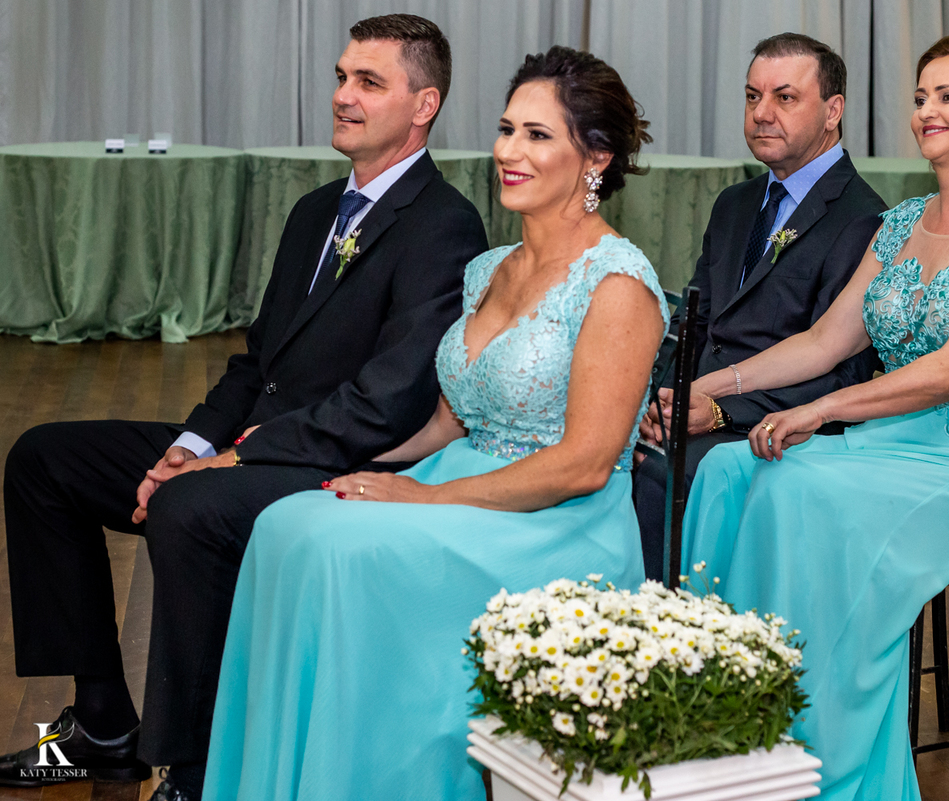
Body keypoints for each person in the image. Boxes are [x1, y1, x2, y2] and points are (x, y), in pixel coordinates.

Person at [0, 14, 487, 800]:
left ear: (423, 104)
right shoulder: (314, 212)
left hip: (337, 458)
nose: (343, 96)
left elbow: (388, 400)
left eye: (369, 82)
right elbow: (256, 361)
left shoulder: (444, 225)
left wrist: (237, 456)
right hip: (247, 445)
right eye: (340, 77)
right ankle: (103, 723)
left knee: (190, 507)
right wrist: (192, 441)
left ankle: (195, 771)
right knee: (43, 459)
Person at [200, 46, 665, 801]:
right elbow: (450, 417)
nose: (509, 152)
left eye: (538, 135)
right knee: (292, 524)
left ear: (596, 159)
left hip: (557, 519)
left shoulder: (618, 283)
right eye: (507, 128)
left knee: (343, 555)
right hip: (461, 478)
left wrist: (420, 499)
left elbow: (585, 461)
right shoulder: (489, 270)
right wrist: (358, 466)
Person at [679, 35, 949, 800]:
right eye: (921, 95)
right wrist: (711, 386)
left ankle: (820, 753)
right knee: (729, 465)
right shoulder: (902, 224)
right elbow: (825, 340)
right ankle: (719, 726)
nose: (927, 109)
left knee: (803, 491)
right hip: (897, 440)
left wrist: (816, 409)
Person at [633, 33, 886, 582]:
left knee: (656, 476)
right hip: (696, 411)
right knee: (603, 456)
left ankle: (677, 647)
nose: (762, 114)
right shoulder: (735, 203)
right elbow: (692, 324)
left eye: (785, 98)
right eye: (752, 97)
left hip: (779, 429)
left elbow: (844, 368)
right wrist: (663, 399)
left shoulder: (862, 219)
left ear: (832, 111)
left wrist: (721, 412)